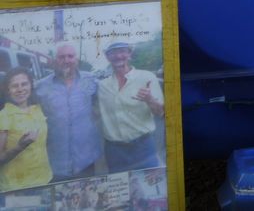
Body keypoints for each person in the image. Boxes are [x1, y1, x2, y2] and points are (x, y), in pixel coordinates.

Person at [36, 43, 102, 182]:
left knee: (88, 193)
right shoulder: (40, 87)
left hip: (86, 159)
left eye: (70, 56)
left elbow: (111, 97)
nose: (66, 60)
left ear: (76, 59)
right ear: (54, 60)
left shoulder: (91, 80)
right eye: (61, 57)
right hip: (56, 162)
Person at [97, 43, 163, 173]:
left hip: (143, 147)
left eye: (122, 51)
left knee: (149, 182)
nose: (118, 56)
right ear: (107, 57)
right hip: (114, 150)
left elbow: (161, 112)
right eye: (113, 53)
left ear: (129, 54)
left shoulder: (146, 77)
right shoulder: (102, 85)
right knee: (119, 184)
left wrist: (149, 99)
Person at [0, 68, 53, 192]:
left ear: (31, 85)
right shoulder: (3, 116)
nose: (20, 89)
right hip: (18, 188)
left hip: (45, 180)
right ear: (8, 90)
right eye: (14, 86)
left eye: (24, 84)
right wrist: (21, 146)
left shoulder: (38, 109)